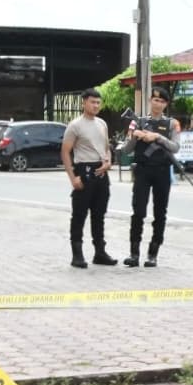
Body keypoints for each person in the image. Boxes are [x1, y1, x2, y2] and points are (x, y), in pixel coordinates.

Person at [120, 85, 182, 267]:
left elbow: (175, 147)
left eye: (162, 101)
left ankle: (153, 254)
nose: (158, 104)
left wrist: (157, 137)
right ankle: (134, 254)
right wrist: (136, 135)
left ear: (166, 104)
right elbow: (126, 149)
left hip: (162, 171)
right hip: (142, 170)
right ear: (150, 101)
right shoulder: (137, 122)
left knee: (160, 213)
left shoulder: (172, 124)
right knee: (138, 211)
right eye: (155, 100)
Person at [62, 88, 115, 268]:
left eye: (98, 102)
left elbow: (106, 147)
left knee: (99, 215)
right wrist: (73, 177)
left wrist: (108, 161)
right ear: (84, 102)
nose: (96, 106)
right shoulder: (75, 125)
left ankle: (100, 252)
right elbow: (65, 152)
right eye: (92, 102)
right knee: (79, 215)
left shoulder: (102, 123)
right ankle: (77, 255)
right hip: (83, 170)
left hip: (101, 171)